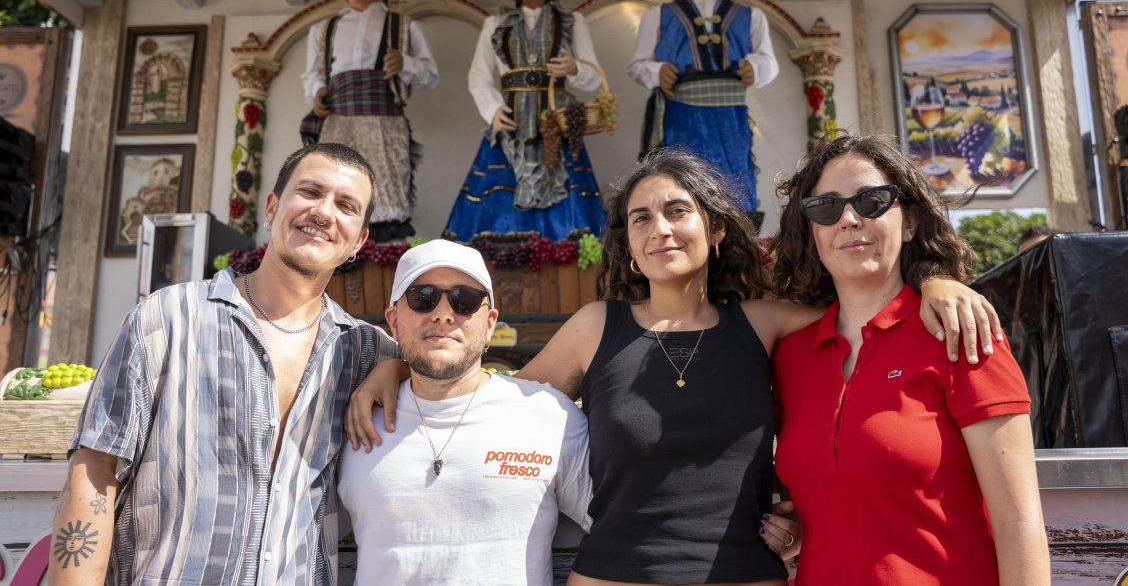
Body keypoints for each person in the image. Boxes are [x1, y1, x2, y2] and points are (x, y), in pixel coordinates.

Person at [348, 148, 1001, 585]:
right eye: (641, 218)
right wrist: (396, 370)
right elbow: (488, 397)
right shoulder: (594, 328)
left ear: (716, 229)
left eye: (677, 210)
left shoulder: (765, 322)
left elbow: (866, 297)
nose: (659, 227)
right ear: (628, 245)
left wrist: (935, 280)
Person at [50, 143, 396, 586]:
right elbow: (95, 471)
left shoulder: (368, 352)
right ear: (271, 207)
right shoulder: (167, 319)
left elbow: (464, 378)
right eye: (310, 192)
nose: (325, 212)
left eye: (346, 205)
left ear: (360, 242)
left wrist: (399, 368)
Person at [769, 134, 1049, 585]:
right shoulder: (791, 358)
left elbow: (1020, 525)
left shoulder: (961, 333)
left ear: (911, 221)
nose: (848, 218)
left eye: (872, 201)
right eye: (826, 207)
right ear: (811, 232)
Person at [338, 239, 591, 584]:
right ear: (394, 322)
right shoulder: (351, 421)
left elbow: (621, 528)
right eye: (422, 298)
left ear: (489, 324)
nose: (443, 313)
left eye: (465, 301)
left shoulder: (548, 416)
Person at [444, 0, 607, 242]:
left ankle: (567, 267)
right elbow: (479, 76)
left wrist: (574, 68)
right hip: (511, 126)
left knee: (566, 196)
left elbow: (594, 78)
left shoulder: (573, 21)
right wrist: (493, 110)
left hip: (556, 123)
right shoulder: (494, 24)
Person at [628, 0, 778, 214]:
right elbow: (637, 65)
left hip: (731, 114)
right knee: (681, 176)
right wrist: (657, 71)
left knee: (734, 175)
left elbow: (770, 62)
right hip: (680, 113)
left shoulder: (750, 15)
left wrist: (754, 67)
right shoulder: (658, 15)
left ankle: (736, 239)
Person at [301, 0, 439, 242]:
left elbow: (430, 76)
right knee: (333, 188)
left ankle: (384, 263)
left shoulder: (407, 26)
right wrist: (317, 92)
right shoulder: (322, 31)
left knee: (386, 191)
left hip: (385, 121)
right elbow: (311, 74)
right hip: (337, 120)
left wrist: (405, 63)